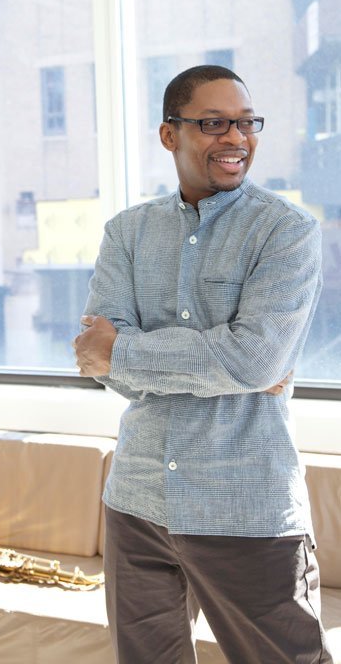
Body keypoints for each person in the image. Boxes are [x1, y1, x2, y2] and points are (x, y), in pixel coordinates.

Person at [73, 65, 333, 664]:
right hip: (137, 501)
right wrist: (228, 367)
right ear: (171, 134)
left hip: (245, 506)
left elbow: (253, 358)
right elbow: (97, 360)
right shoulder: (127, 233)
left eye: (246, 123)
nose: (235, 138)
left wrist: (129, 350)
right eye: (214, 123)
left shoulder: (287, 232)